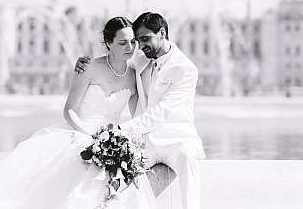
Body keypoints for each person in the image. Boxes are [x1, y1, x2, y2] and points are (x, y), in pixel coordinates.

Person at [0, 17, 157, 209]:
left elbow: (139, 113)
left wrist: (125, 140)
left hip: (110, 138)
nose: (130, 47)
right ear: (108, 43)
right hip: (79, 132)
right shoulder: (89, 68)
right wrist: (92, 136)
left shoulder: (133, 75)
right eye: (122, 43)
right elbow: (69, 111)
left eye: (132, 42)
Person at [75, 12, 206, 209]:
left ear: (162, 33)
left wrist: (119, 131)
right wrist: (87, 63)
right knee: (113, 183)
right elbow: (114, 61)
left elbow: (162, 112)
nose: (140, 45)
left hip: (176, 140)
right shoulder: (141, 60)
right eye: (138, 40)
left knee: (188, 157)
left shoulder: (185, 69)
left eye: (145, 39)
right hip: (145, 143)